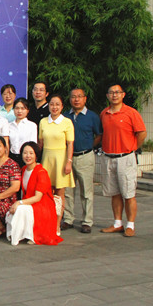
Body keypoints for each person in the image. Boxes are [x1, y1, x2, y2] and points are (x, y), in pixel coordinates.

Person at [99, 84, 146, 237]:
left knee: (129, 193)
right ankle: (117, 223)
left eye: (117, 92)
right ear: (107, 95)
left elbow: (142, 133)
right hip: (108, 157)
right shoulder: (104, 113)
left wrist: (133, 147)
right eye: (111, 93)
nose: (114, 95)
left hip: (125, 158)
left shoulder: (131, 113)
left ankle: (130, 225)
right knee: (114, 193)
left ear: (123, 95)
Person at [6, 142, 63, 246]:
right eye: (25, 153)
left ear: (36, 155)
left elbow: (38, 197)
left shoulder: (41, 172)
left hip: (42, 205)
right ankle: (21, 234)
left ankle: (24, 236)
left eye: (31, 153)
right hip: (30, 202)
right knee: (14, 209)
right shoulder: (24, 169)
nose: (28, 156)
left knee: (20, 208)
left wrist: (19, 202)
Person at [62, 88, 102, 233]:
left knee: (86, 191)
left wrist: (89, 146)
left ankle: (87, 221)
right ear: (70, 99)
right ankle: (68, 219)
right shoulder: (65, 116)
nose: (76, 99)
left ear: (85, 98)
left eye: (79, 96)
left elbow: (99, 135)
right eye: (73, 97)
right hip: (67, 158)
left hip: (85, 156)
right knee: (68, 191)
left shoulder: (92, 116)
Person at [38, 94, 74, 235]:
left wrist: (68, 162)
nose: (54, 107)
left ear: (62, 106)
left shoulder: (67, 122)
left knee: (59, 194)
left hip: (61, 160)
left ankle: (57, 224)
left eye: (57, 104)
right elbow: (40, 144)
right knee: (46, 193)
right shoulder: (43, 122)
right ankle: (47, 221)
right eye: (52, 104)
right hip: (46, 160)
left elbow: (70, 144)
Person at [8, 98, 37, 167]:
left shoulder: (32, 125)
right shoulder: (9, 125)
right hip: (12, 157)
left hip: (26, 158)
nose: (19, 111)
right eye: (17, 108)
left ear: (28, 110)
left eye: (23, 108)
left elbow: (33, 144)